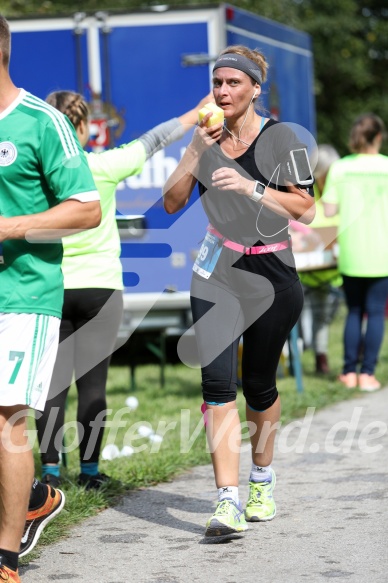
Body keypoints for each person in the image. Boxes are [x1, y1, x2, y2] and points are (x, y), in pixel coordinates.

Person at [163, 45, 315, 539]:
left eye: (234, 83)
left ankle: (261, 480)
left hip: (271, 274)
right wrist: (193, 150)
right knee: (217, 385)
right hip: (216, 271)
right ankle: (226, 501)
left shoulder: (281, 138)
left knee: (260, 385)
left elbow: (306, 209)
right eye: (217, 83)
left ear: (254, 88)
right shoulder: (205, 139)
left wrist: (250, 188)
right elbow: (170, 203)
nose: (223, 92)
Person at [35, 89, 213, 490]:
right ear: (82, 128)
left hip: (50, 288)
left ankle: (48, 474)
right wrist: (194, 112)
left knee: (51, 386)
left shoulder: (38, 171)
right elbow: (155, 139)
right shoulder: (105, 165)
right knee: (93, 386)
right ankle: (91, 473)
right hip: (101, 289)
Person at [0, 15, 101, 583]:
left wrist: (10, 228)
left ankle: (5, 560)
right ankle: (34, 494)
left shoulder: (41, 122)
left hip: (24, 294)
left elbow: (86, 207)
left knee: (9, 420)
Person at [323, 113, 388, 391]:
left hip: (350, 250)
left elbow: (329, 210)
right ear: (379, 137)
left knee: (353, 311)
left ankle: (348, 373)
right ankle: (368, 374)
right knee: (375, 313)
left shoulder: (340, 168)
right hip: (382, 251)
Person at [297, 144, 343, 374]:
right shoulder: (305, 195)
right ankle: (307, 354)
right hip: (303, 271)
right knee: (300, 318)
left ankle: (320, 356)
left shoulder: (340, 196)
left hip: (330, 272)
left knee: (323, 316)